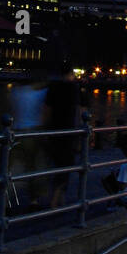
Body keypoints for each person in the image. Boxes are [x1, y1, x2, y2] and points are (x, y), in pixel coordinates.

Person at [43, 67, 80, 209]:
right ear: (70, 75)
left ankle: (58, 197)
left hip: (53, 130)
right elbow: (76, 111)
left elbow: (47, 109)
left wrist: (44, 128)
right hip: (68, 131)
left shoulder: (53, 87)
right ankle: (56, 199)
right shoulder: (73, 89)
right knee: (65, 166)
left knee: (55, 164)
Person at [10, 76, 46, 211]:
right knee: (34, 167)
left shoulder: (17, 92)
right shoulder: (39, 93)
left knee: (13, 167)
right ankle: (34, 200)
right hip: (33, 133)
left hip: (16, 131)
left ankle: (6, 199)